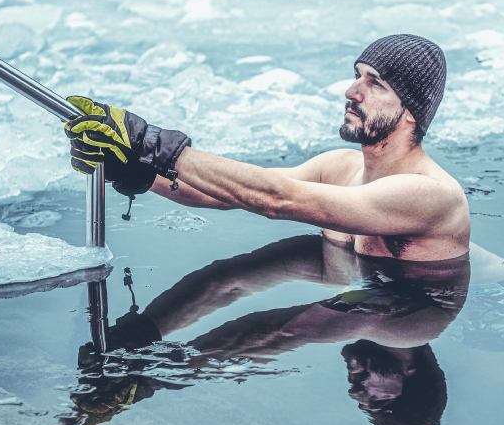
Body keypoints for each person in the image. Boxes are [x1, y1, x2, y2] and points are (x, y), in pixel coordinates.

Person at [63, 34, 470, 261]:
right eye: (357, 76)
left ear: (411, 112)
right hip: (354, 299)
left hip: (409, 322)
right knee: (235, 285)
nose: (351, 91)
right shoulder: (340, 167)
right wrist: (137, 169)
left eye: (375, 82)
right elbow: (229, 197)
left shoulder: (430, 194)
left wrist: (155, 144)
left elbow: (277, 199)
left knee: (285, 329)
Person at [64, 234, 470, 425]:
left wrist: (133, 338)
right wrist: (150, 378)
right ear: (413, 375)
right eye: (378, 400)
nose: (354, 393)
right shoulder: (416, 322)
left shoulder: (375, 279)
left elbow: (229, 281)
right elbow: (278, 330)